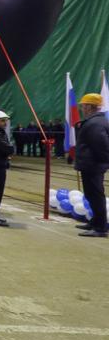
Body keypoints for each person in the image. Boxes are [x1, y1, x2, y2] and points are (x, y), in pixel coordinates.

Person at [73, 94, 109, 237]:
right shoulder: (96, 121)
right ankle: (95, 222)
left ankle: (100, 227)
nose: (82, 108)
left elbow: (101, 146)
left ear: (89, 106)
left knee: (96, 195)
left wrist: (101, 163)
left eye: (83, 105)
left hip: (93, 166)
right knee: (91, 195)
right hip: (90, 165)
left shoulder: (95, 123)